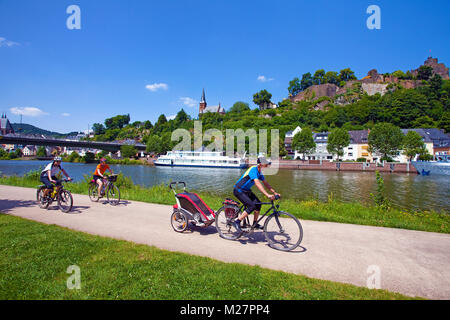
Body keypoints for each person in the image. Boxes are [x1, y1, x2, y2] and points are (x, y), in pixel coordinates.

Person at [233, 156, 280, 232]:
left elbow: (265, 183)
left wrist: (274, 192)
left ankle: (255, 223)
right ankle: (237, 222)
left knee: (258, 204)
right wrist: (267, 195)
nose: (267, 165)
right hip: (239, 190)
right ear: (260, 164)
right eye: (266, 163)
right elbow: (257, 183)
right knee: (251, 206)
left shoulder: (259, 172)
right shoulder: (253, 169)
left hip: (246, 191)